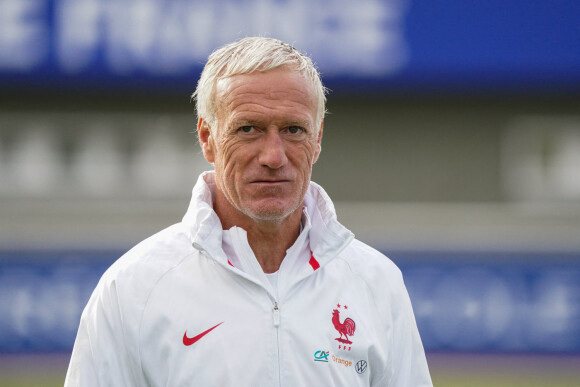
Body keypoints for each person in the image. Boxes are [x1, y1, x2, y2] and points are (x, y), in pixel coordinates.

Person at [65, 37, 432, 386]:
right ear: (207, 138)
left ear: (317, 139)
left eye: (293, 130)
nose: (273, 156)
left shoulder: (377, 283)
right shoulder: (132, 289)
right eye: (248, 129)